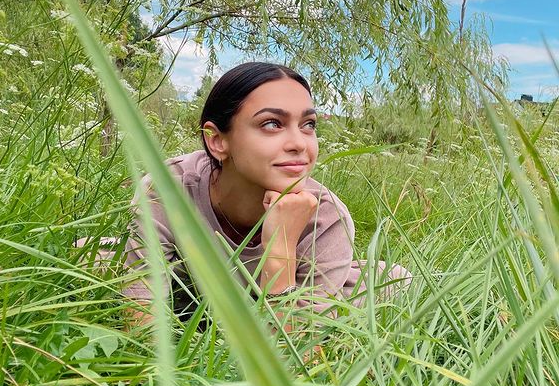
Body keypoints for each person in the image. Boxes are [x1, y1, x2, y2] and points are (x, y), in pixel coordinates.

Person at [80, 62, 410, 323]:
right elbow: (144, 325)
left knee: (394, 281)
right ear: (217, 140)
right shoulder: (169, 189)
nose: (299, 143)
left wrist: (280, 246)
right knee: (88, 256)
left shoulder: (325, 215)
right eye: (272, 124)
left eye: (308, 125)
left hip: (282, 288)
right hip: (190, 286)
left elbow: (297, 354)